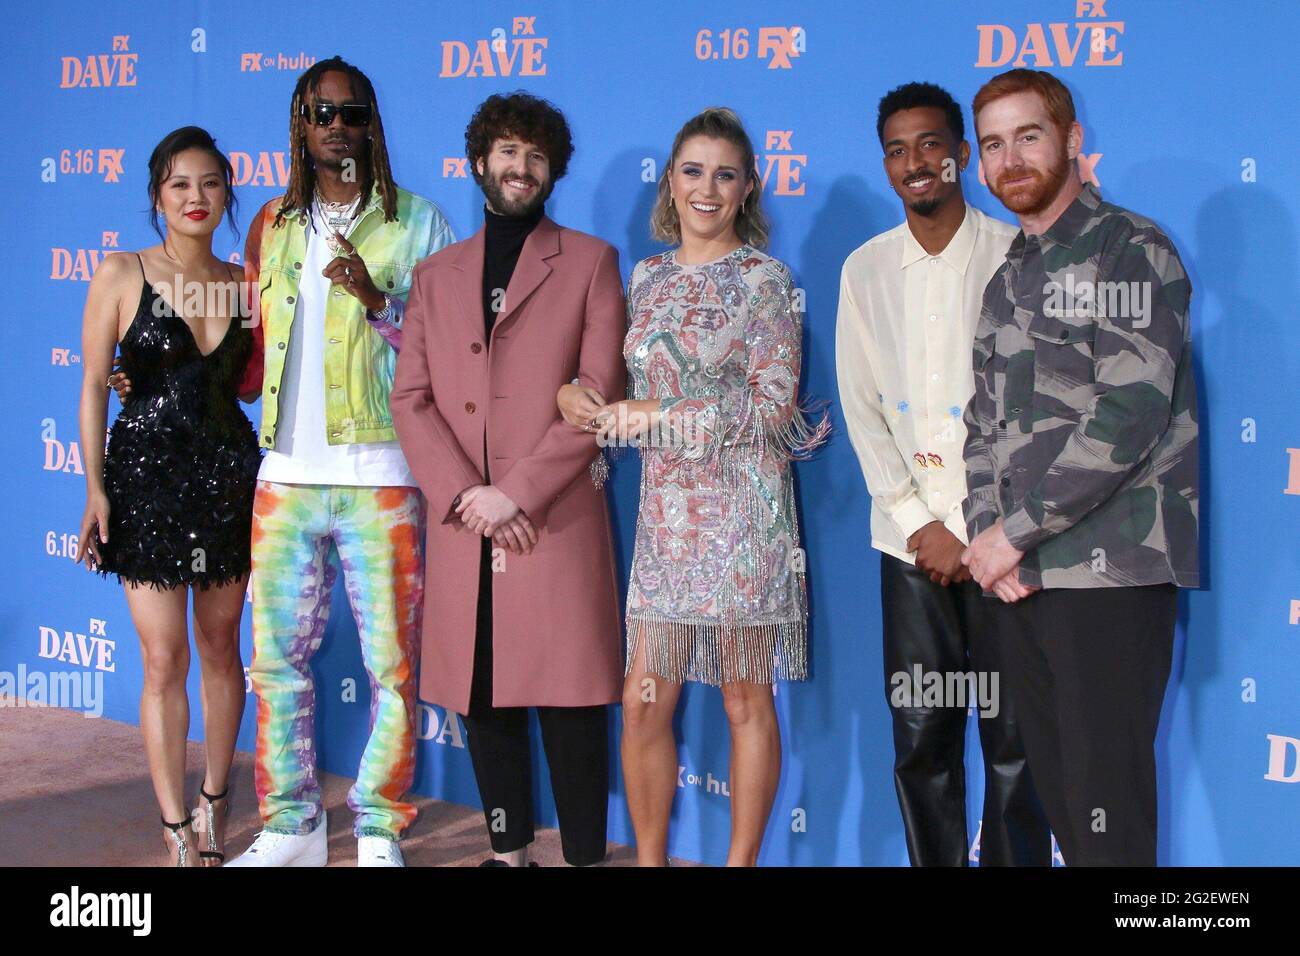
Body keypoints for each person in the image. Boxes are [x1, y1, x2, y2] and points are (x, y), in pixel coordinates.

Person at [561, 107, 827, 866]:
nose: (706, 188)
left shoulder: (768, 283)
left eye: (724, 174)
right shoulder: (644, 278)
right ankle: (650, 861)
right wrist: (575, 399)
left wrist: (659, 412)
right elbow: (610, 387)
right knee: (644, 701)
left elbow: (776, 410)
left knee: (746, 700)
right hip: (667, 524)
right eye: (692, 170)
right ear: (670, 182)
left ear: (748, 188)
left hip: (746, 519)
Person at [962, 68, 1200, 866]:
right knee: (1064, 801)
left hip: (1111, 572)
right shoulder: (1007, 278)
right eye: (992, 144)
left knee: (1107, 809)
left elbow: (1129, 415)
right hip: (1022, 577)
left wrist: (1012, 535)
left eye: (1028, 135)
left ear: (1070, 140)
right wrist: (985, 539)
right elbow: (980, 424)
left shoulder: (1130, 248)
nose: (1009, 159)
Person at [226, 57, 453, 867]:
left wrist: (377, 301)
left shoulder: (419, 224)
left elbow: (445, 356)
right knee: (274, 662)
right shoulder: (273, 224)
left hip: (381, 475)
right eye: (321, 112)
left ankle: (382, 825)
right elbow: (250, 348)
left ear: (371, 124)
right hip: (283, 476)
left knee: (392, 667)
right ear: (300, 123)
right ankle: (292, 825)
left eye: (350, 112)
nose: (335, 126)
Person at [391, 92, 625, 867]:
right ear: (479, 162)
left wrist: (515, 493)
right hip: (470, 521)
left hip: (551, 517)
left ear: (553, 168)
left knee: (571, 702)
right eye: (506, 152)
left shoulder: (591, 263)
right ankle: (509, 851)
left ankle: (586, 856)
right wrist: (467, 497)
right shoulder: (434, 274)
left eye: (534, 154)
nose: (519, 167)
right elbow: (412, 398)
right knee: (486, 696)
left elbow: (598, 395)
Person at [835, 82, 1050, 866]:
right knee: (922, 737)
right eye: (897, 149)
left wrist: (989, 529)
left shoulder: (1016, 255)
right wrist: (918, 522)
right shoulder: (865, 270)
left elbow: (1040, 408)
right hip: (910, 549)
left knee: (1015, 739)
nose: (914, 162)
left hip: (1007, 545)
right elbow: (862, 406)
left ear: (962, 154)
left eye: (930, 144)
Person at [77, 126, 261, 866]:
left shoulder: (246, 283)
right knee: (163, 660)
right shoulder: (122, 272)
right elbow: (94, 383)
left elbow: (252, 385)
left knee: (223, 649)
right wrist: (94, 488)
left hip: (227, 482)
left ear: (227, 193)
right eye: (180, 184)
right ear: (158, 194)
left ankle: (217, 803)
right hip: (145, 484)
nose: (196, 197)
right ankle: (174, 824)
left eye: (211, 183)